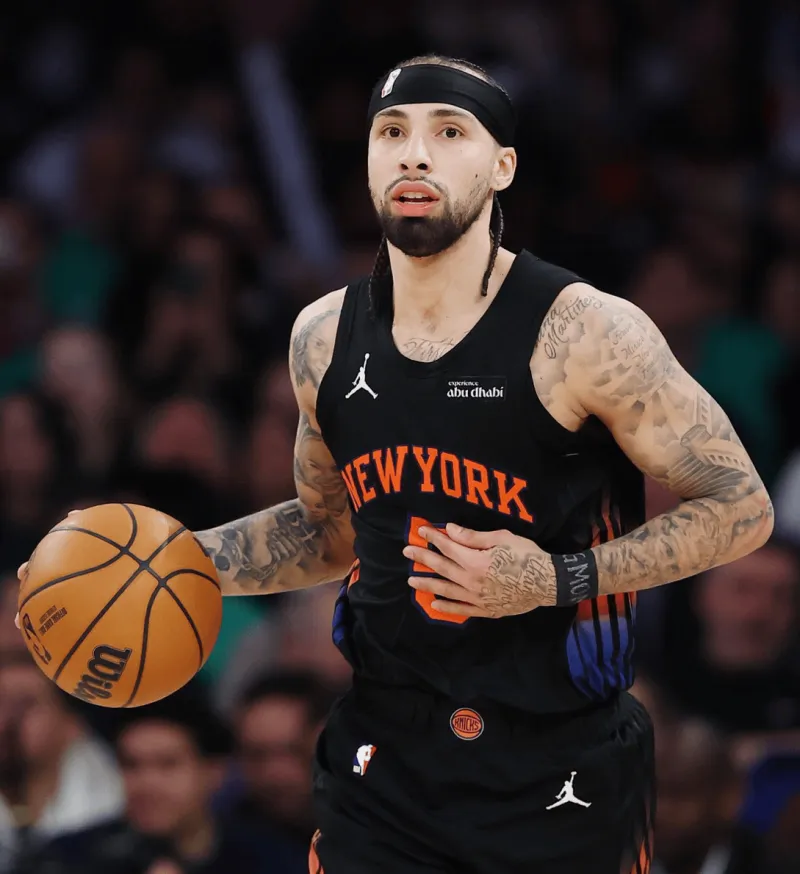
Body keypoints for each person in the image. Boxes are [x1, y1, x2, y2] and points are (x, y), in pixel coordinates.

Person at [17, 54, 774, 873]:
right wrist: (148, 565)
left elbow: (740, 506)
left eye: (448, 133)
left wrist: (556, 579)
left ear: (501, 167)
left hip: (559, 766)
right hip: (385, 764)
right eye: (392, 133)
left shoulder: (584, 330)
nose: (415, 154)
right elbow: (330, 531)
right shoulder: (323, 335)